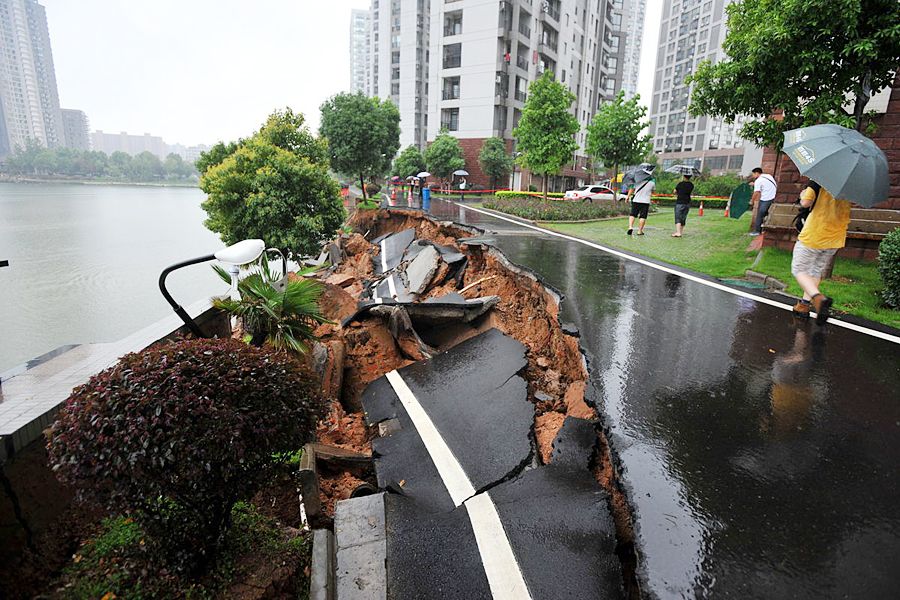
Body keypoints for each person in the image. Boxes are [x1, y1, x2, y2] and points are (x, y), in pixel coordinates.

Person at [790, 181, 851, 324]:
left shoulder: (818, 182)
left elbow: (805, 203)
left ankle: (817, 298)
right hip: (835, 238)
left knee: (799, 269)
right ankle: (804, 305)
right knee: (815, 270)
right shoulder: (848, 186)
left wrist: (803, 194)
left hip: (815, 234)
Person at [749, 167, 777, 235]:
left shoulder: (759, 180)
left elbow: (756, 192)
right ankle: (763, 229)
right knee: (766, 214)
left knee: (760, 215)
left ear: (757, 173)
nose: (753, 176)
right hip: (773, 197)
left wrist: (751, 201)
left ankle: (757, 231)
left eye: (753, 174)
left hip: (766, 198)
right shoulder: (768, 176)